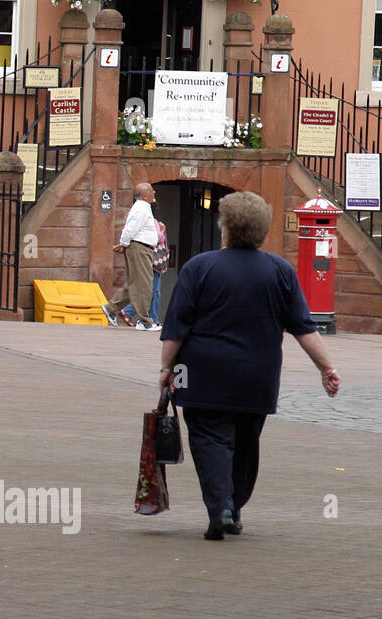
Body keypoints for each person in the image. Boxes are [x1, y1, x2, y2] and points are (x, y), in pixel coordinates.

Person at [158, 191, 340, 541]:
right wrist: (326, 368)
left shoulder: (199, 267)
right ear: (262, 231)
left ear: (225, 228)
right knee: (246, 442)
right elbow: (304, 327)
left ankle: (219, 507)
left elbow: (176, 327)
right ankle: (234, 506)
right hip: (257, 375)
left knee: (210, 440)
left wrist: (166, 370)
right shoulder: (281, 271)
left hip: (203, 374)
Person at [102, 182, 160, 331]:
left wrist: (124, 244)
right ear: (145, 195)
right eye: (151, 191)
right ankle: (144, 321)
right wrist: (123, 243)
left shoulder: (143, 207)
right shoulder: (141, 208)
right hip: (140, 247)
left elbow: (131, 228)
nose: (154, 192)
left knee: (134, 284)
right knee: (144, 284)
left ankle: (110, 308)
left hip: (140, 247)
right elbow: (131, 228)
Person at [124, 218, 168, 326]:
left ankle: (131, 312)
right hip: (152, 260)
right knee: (153, 291)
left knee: (150, 290)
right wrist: (162, 230)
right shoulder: (152, 221)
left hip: (148, 258)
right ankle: (134, 312)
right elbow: (156, 238)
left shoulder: (143, 220)